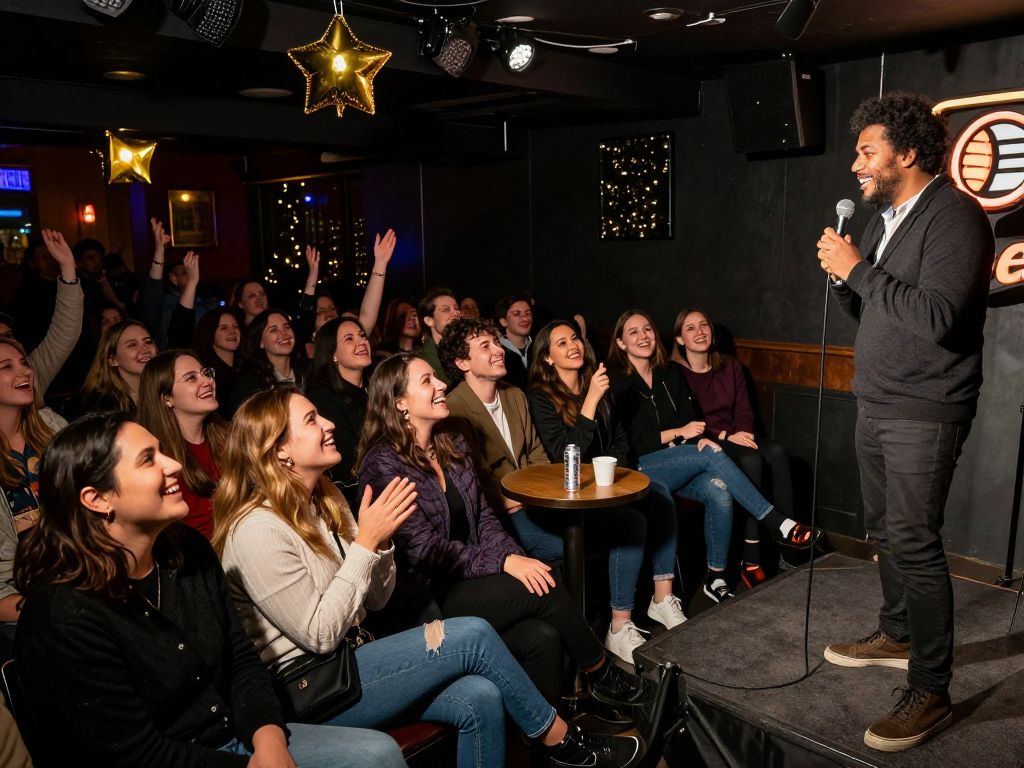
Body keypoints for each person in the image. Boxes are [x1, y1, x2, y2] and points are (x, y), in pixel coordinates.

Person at [214, 387, 642, 768]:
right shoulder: (256, 530)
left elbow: (375, 599)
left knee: (480, 696)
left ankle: (562, 733)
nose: (329, 423)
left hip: (355, 657)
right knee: (472, 633)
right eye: (311, 419)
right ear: (279, 451)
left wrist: (380, 545)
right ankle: (563, 742)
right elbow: (320, 635)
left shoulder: (326, 500)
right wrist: (366, 544)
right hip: (311, 686)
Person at [13, 411, 407, 767]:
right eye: (149, 459)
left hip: (241, 737)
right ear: (97, 499)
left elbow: (241, 662)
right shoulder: (63, 614)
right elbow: (130, 752)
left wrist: (269, 741)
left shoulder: (186, 550)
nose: (173, 465)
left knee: (379, 754)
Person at [815, 92, 993, 752]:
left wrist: (858, 270)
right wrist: (848, 282)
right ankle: (897, 633)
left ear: (908, 153)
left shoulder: (956, 216)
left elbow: (937, 318)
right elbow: (884, 313)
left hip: (925, 408)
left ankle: (931, 689)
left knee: (915, 541)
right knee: (886, 530)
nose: (855, 164)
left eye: (867, 151)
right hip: (878, 400)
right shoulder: (889, 220)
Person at [356, 353, 656, 710]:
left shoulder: (451, 442)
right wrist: (504, 563)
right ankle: (602, 675)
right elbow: (425, 551)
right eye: (427, 381)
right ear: (400, 403)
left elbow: (485, 517)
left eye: (436, 377)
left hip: (468, 578)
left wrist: (511, 556)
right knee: (545, 583)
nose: (441, 385)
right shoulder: (384, 464)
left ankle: (553, 734)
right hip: (427, 596)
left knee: (542, 636)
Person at [440, 317, 684, 664]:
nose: (498, 350)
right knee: (584, 542)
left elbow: (540, 458)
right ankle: (583, 648)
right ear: (462, 363)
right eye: (486, 346)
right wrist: (515, 498)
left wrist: (532, 493)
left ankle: (619, 626)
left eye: (496, 342)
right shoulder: (454, 408)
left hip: (538, 504)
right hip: (501, 521)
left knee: (633, 522)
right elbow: (474, 485)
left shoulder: (513, 395)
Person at [607, 310, 818, 603]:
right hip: (639, 466)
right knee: (709, 454)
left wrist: (697, 438)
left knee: (719, 489)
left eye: (648, 330)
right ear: (620, 343)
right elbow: (628, 442)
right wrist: (678, 434)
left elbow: (689, 420)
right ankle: (778, 522)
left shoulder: (668, 374)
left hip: (675, 460)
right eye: (633, 332)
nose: (643, 337)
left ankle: (716, 577)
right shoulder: (615, 380)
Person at [672, 307, 795, 587]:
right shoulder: (676, 374)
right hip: (705, 442)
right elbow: (688, 424)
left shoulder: (730, 365)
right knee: (751, 460)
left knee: (776, 452)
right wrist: (727, 436)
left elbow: (743, 409)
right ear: (679, 339)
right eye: (690, 328)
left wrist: (743, 432)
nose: (700, 332)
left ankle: (787, 547)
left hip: (736, 436)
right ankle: (750, 558)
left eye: (704, 325)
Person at [0, 338, 67, 661]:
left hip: (82, 574)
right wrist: (58, 608)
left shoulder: (52, 428)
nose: (25, 371)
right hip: (25, 603)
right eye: (6, 366)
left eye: (24, 363)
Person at [138, 350, 226, 538]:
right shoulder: (161, 461)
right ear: (167, 399)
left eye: (206, 373)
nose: (207, 381)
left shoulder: (229, 438)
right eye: (191, 378)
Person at [305, 317, 374, 504]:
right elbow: (346, 463)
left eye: (362, 336)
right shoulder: (323, 397)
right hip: (355, 495)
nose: (362, 342)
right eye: (349, 339)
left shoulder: (377, 386)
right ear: (332, 354)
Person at [297, 230, 395, 358]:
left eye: (332, 308)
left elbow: (367, 314)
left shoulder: (353, 341)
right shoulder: (311, 354)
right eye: (320, 310)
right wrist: (313, 273)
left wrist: (380, 264)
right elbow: (305, 312)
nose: (329, 314)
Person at [229, 309, 307, 415]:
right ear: (260, 342)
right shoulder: (250, 382)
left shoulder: (309, 370)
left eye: (287, 327)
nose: (284, 333)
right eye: (274, 330)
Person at [79, 319, 157, 415]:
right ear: (113, 360)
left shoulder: (164, 389)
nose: (145, 349)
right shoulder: (102, 405)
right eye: (132, 345)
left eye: (148, 342)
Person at [192, 308, 242, 418]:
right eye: (224, 328)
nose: (232, 331)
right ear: (210, 333)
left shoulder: (247, 366)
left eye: (236, 326)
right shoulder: (207, 374)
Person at [417, 287, 462, 386]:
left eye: (456, 308)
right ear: (429, 321)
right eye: (445, 310)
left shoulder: (467, 348)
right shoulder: (423, 359)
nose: (455, 313)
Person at [495, 292, 534, 391]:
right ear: (503, 321)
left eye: (528, 313)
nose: (525, 318)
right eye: (517, 314)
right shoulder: (496, 353)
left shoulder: (539, 347)